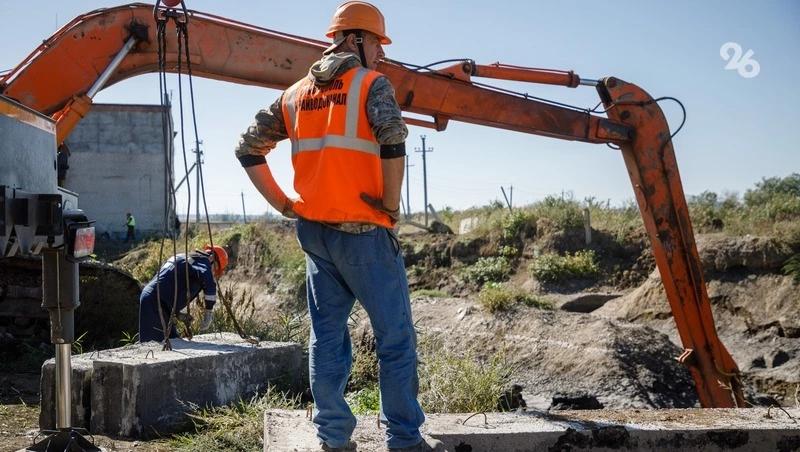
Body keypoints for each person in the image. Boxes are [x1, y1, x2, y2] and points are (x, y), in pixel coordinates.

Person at [235, 2, 440, 451]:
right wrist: (389, 204)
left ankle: (332, 437)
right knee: (395, 339)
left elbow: (247, 147)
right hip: (364, 232)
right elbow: (393, 137)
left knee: (327, 336)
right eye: (378, 44)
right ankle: (404, 440)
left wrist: (284, 204)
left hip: (315, 234)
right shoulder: (372, 84)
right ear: (355, 40)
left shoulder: (293, 95)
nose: (382, 55)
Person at [138, 245, 228, 342]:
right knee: (155, 345)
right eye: (216, 269)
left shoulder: (186, 258)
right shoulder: (202, 262)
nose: (213, 273)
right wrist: (208, 311)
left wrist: (179, 314)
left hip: (157, 300)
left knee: (173, 340)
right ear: (212, 259)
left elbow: (170, 285)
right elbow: (209, 285)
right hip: (156, 302)